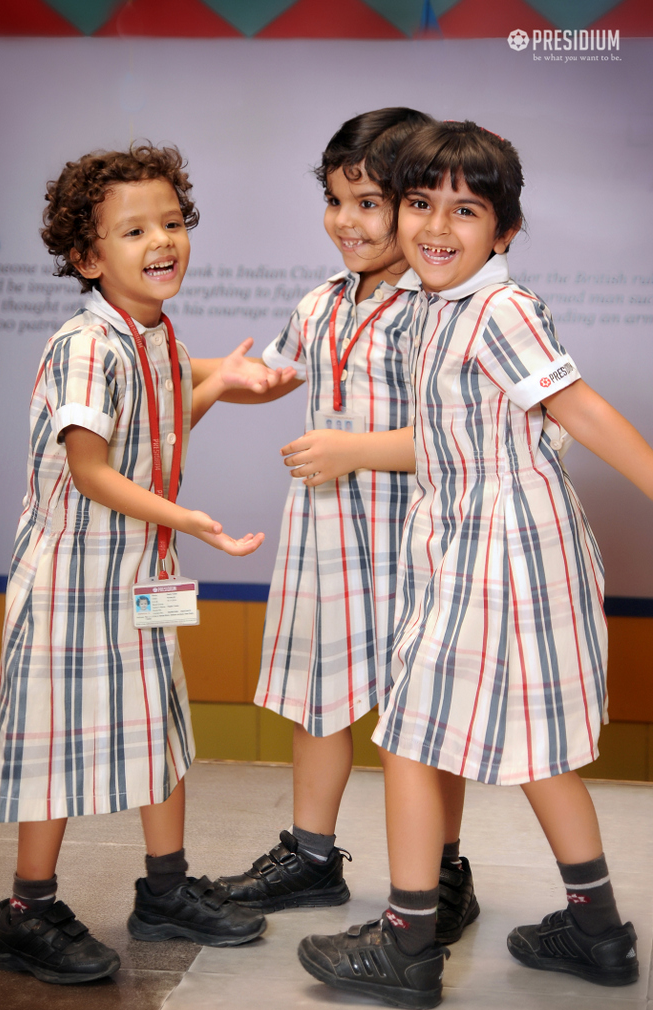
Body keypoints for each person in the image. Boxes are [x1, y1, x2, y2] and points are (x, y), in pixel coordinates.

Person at [298, 119, 650, 1009]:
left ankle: (408, 942)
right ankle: (598, 930)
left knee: (411, 734)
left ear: (506, 232)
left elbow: (577, 407)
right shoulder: (435, 305)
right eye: (420, 203)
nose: (435, 226)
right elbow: (447, 436)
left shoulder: (499, 309)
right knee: (538, 750)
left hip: (502, 548)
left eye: (465, 210)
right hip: (473, 539)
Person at [0, 144, 293, 984]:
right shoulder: (86, 345)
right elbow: (91, 470)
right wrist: (185, 518)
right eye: (134, 230)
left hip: (140, 572)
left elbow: (160, 419)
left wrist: (224, 381)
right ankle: (26, 911)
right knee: (54, 742)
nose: (162, 240)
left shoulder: (153, 333)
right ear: (87, 258)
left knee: (160, 720)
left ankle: (164, 888)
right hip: (72, 582)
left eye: (172, 222)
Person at [206, 109, 479, 947]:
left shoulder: (434, 309)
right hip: (326, 541)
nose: (347, 222)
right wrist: (203, 372)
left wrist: (353, 449)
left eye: (369, 203)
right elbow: (275, 374)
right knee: (314, 697)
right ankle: (312, 857)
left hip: (411, 544)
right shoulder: (322, 300)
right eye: (335, 201)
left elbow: (460, 436)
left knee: (420, 716)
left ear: (414, 205)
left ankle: (442, 872)